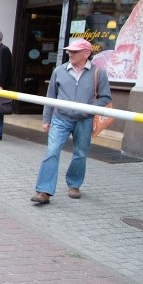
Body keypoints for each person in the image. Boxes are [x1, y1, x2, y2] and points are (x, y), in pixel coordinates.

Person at [31, 38, 111, 205]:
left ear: (86, 53)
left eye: (75, 51)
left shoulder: (98, 73)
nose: (70, 54)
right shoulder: (59, 71)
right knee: (52, 152)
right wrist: (46, 119)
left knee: (80, 154)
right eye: (69, 51)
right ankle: (44, 191)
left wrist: (91, 107)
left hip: (85, 120)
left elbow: (105, 97)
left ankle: (74, 185)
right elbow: (50, 96)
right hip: (61, 118)